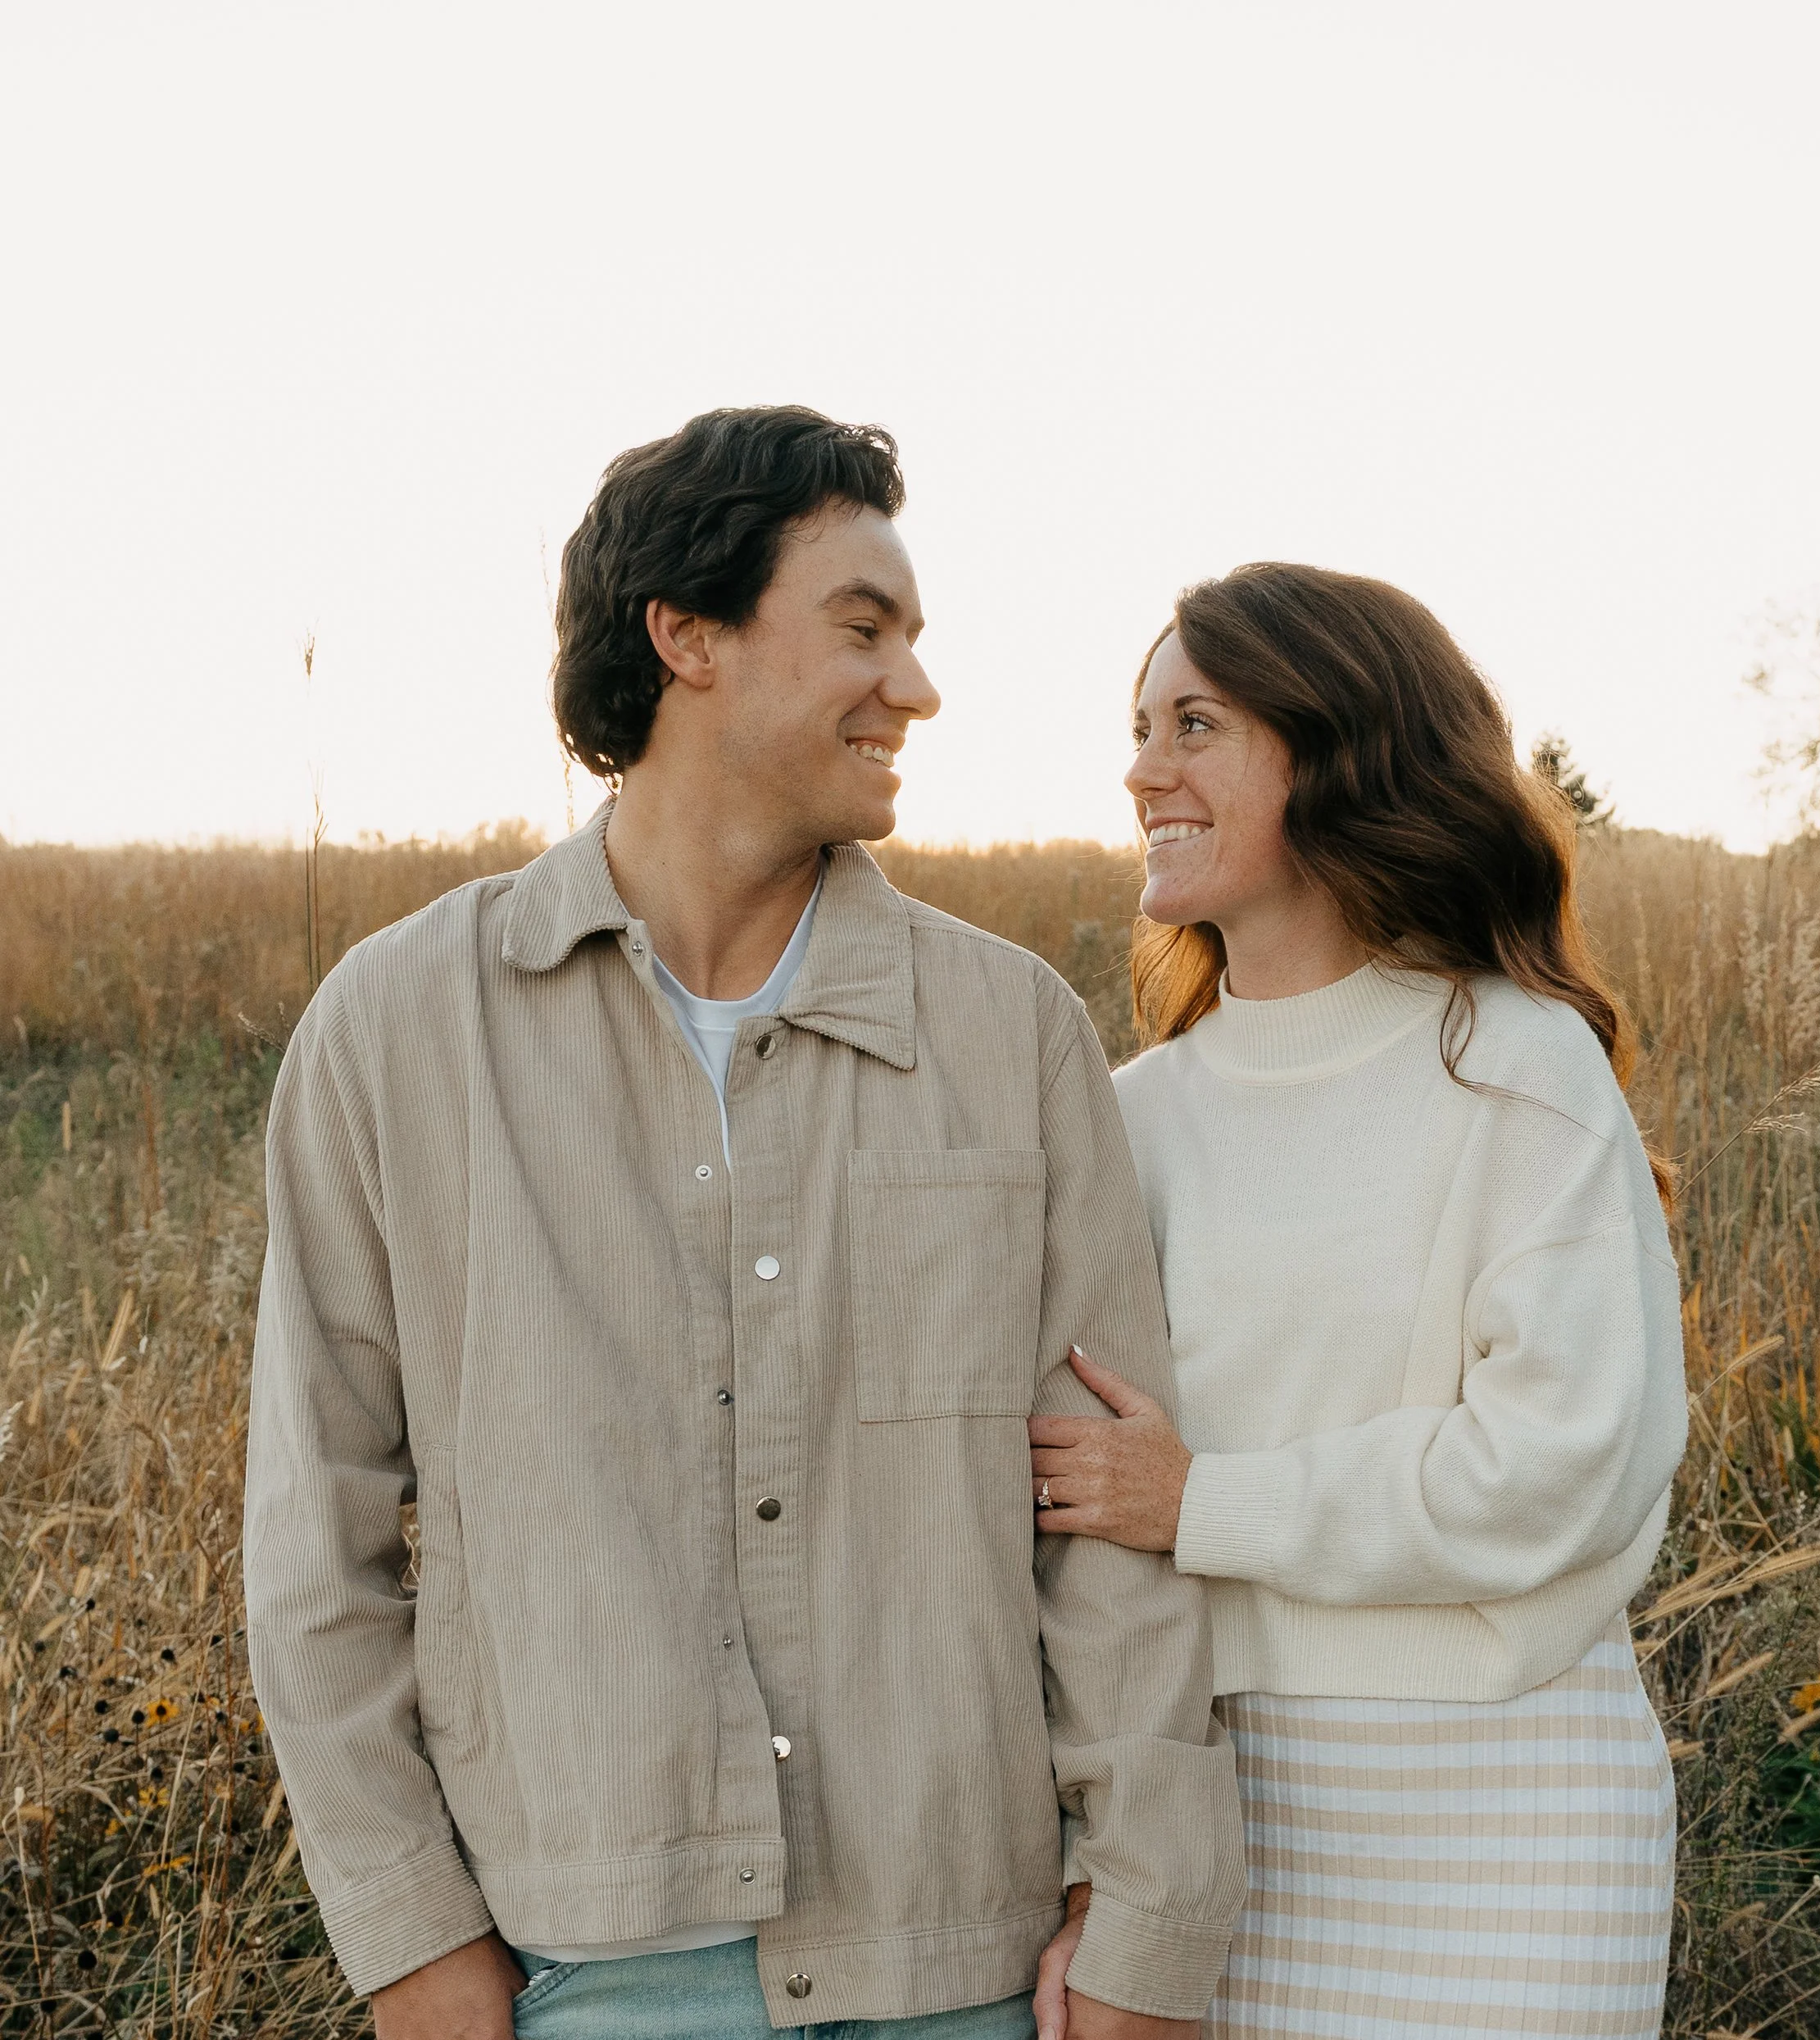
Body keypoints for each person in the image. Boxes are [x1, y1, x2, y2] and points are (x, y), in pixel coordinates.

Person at [243, 406, 1244, 2040]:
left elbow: (1110, 1521)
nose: (912, 686)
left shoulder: (1012, 1035)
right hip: (580, 1974)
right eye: (863, 626)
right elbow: (315, 1537)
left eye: (912, 638)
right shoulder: (396, 1028)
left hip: (965, 1974)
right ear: (685, 634)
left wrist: (1144, 1916)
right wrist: (409, 1937)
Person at [1030, 564, 1688, 2039]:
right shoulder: (1122, 1118)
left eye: (1194, 723)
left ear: (1339, 747)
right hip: (1208, 1820)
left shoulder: (1516, 1066)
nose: (1144, 771)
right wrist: (1096, 1863)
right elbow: (1064, 1528)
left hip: (1509, 1803)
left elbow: (1560, 1462)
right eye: (1140, 727)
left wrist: (1208, 1503)